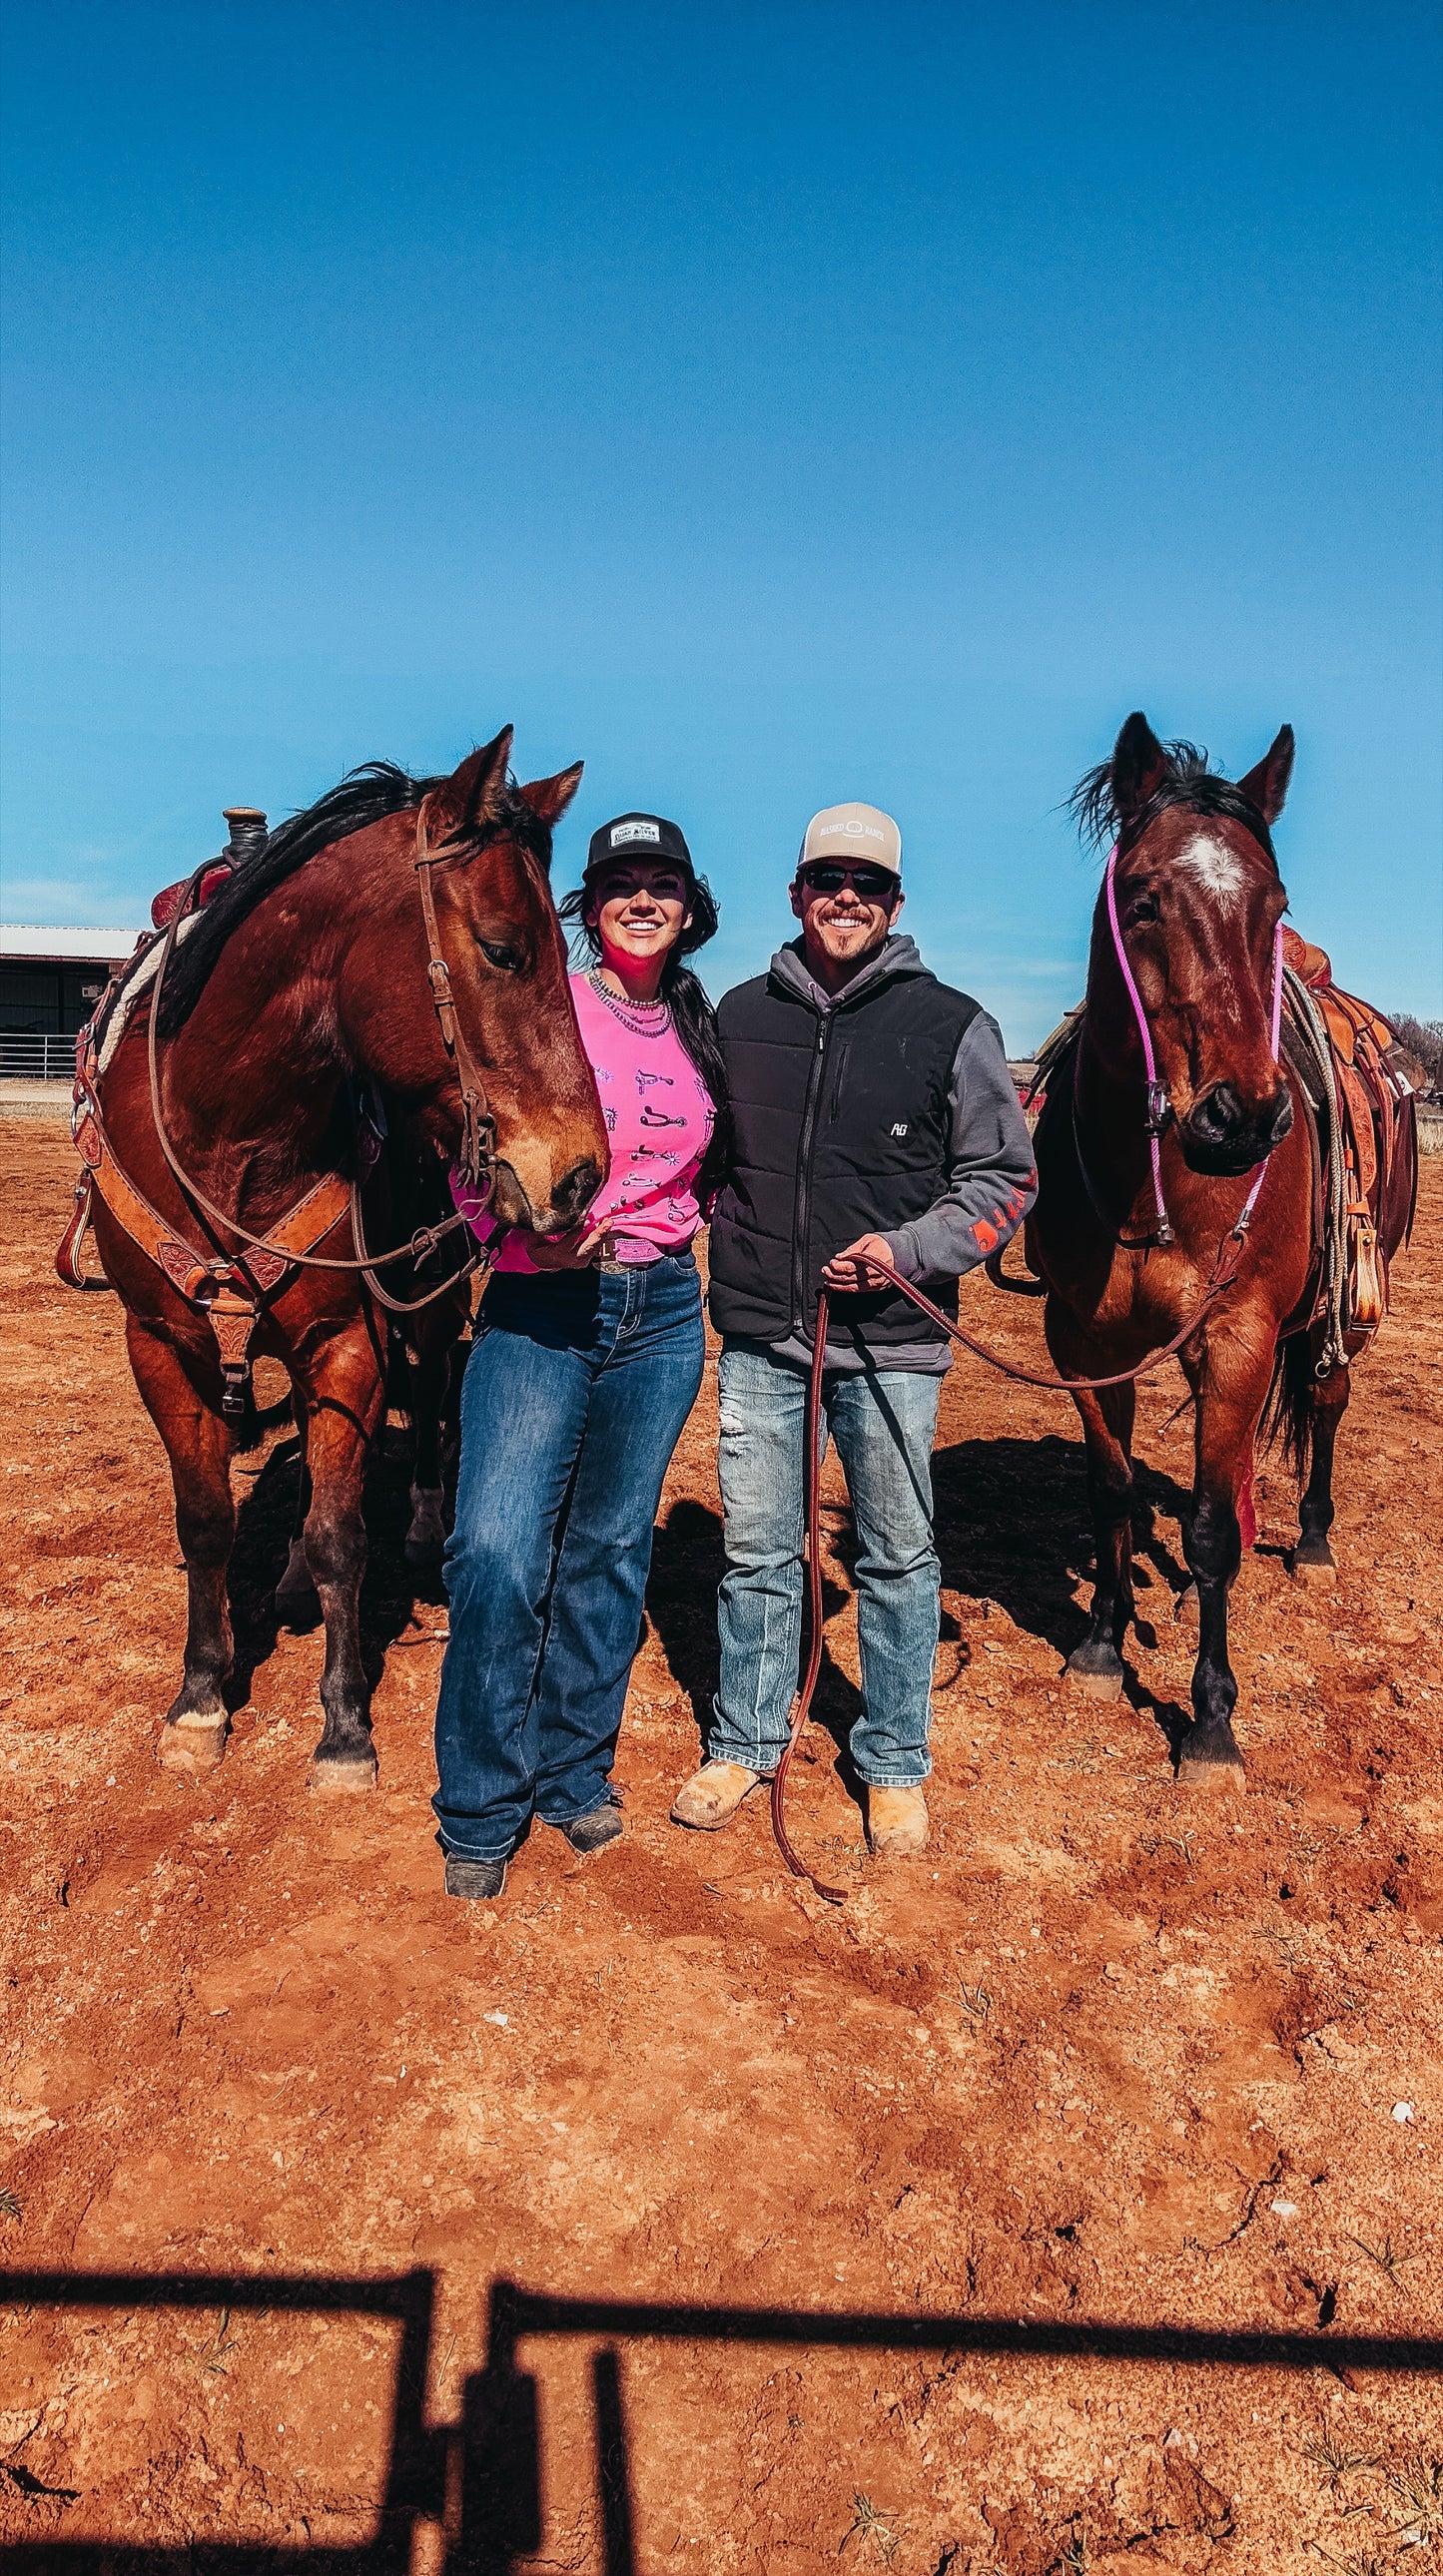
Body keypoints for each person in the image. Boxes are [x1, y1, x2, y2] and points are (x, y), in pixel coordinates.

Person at [671, 801, 1036, 1858]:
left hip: (892, 1343)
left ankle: (891, 1761)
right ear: (794, 895)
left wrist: (908, 1250)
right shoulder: (736, 1017)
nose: (844, 897)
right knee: (755, 1550)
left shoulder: (954, 1026)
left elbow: (1001, 1179)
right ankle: (743, 1741)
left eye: (865, 884)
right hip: (760, 1332)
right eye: (826, 880)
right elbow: (700, 1163)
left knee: (895, 1554)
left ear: (893, 903)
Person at [434, 813, 727, 1901]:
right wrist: (501, 1223)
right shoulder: (539, 1003)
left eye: (661, 882)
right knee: (498, 1551)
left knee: (607, 1554)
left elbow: (715, 1168)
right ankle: (477, 1800)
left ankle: (569, 1772)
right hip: (538, 1303)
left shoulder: (702, 1026)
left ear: (690, 906)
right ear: (586, 906)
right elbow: (467, 1139)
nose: (641, 899)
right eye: (619, 883)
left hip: (659, 1314)